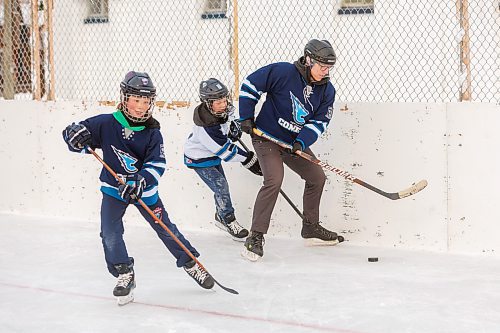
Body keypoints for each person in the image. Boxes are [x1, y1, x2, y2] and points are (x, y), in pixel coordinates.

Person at [62, 71, 214, 305]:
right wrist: (72, 136)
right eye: (136, 100)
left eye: (145, 101)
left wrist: (140, 180)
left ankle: (191, 262)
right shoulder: (105, 123)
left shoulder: (153, 132)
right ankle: (124, 272)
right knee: (109, 233)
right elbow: (79, 138)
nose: (141, 107)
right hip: (114, 190)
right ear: (124, 98)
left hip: (145, 192)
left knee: (166, 228)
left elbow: (157, 164)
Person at [238, 39, 342, 261]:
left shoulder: (327, 91)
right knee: (274, 179)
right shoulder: (282, 72)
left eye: (329, 68)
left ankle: (311, 227)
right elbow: (250, 85)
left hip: (292, 144)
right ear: (308, 60)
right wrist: (246, 116)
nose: (325, 72)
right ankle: (255, 237)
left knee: (317, 177)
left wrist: (301, 142)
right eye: (322, 66)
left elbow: (319, 122)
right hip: (266, 138)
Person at [184, 78, 262, 241]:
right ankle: (228, 219)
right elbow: (223, 150)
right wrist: (247, 159)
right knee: (221, 186)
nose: (223, 104)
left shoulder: (222, 109)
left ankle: (221, 215)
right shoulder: (206, 126)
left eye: (224, 100)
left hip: (212, 156)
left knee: (221, 187)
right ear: (207, 102)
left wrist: (235, 126)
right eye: (217, 102)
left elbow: (231, 116)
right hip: (198, 158)